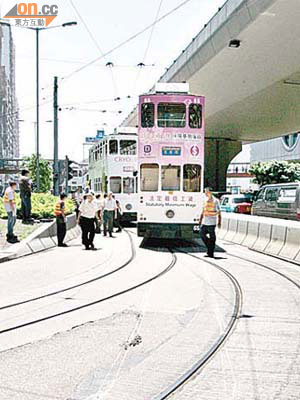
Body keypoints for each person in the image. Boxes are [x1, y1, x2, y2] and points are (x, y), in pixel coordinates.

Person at [199, 187, 221, 258]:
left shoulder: (216, 201)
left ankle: (210, 252)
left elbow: (219, 212)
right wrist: (200, 219)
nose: (205, 193)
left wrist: (219, 221)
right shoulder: (204, 200)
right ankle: (210, 246)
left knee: (212, 237)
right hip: (205, 221)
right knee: (202, 234)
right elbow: (203, 210)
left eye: (206, 191)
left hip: (212, 222)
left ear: (209, 192)